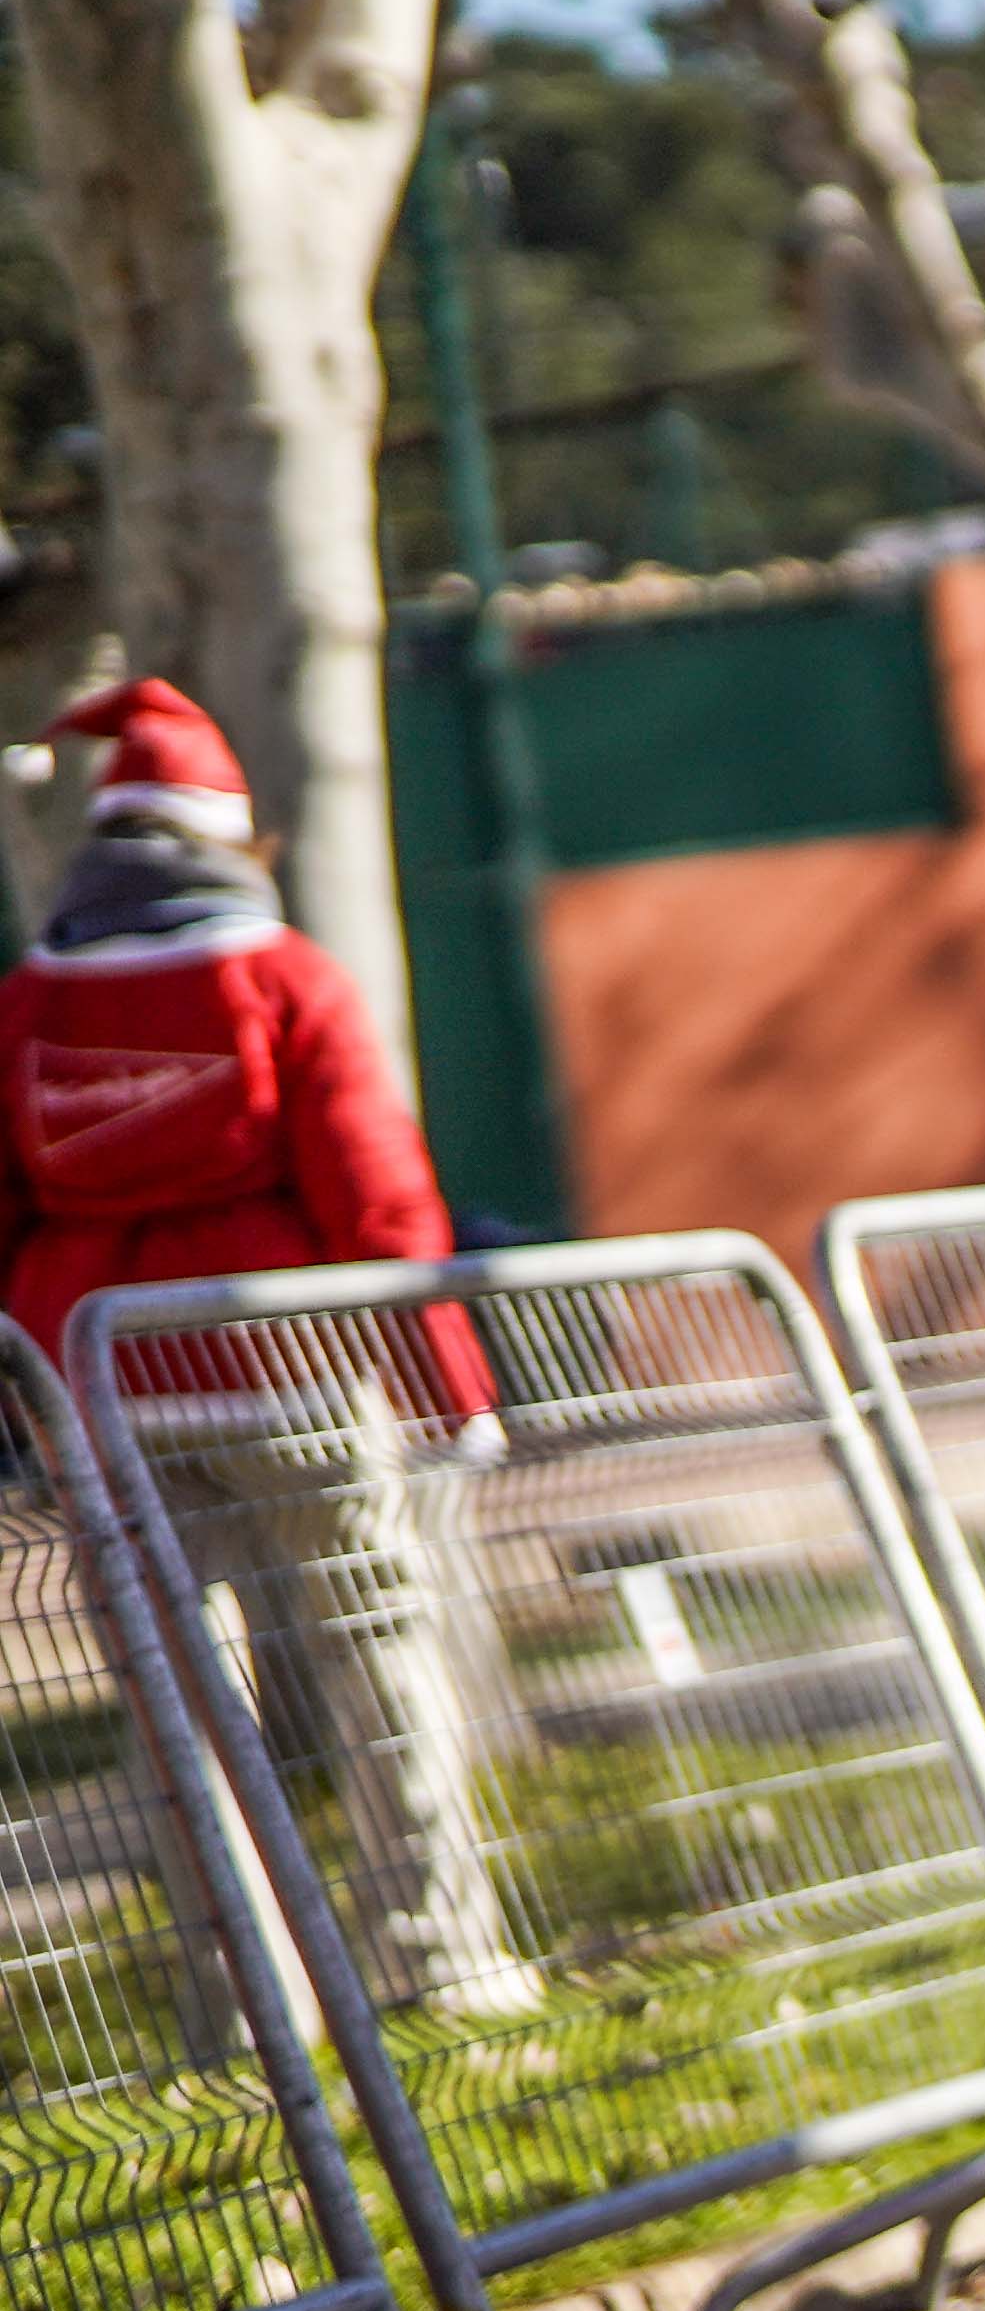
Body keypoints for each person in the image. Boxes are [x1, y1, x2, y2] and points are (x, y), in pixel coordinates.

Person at [4, 677, 533, 2011]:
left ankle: (243, 2000)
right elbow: (380, 1201)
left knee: (176, 1697)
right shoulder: (285, 979)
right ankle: (439, 1961)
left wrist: (26, 1409)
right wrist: (447, 1389)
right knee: (377, 1648)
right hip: (291, 1372)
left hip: (101, 1391)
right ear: (232, 839)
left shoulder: (24, 1009)